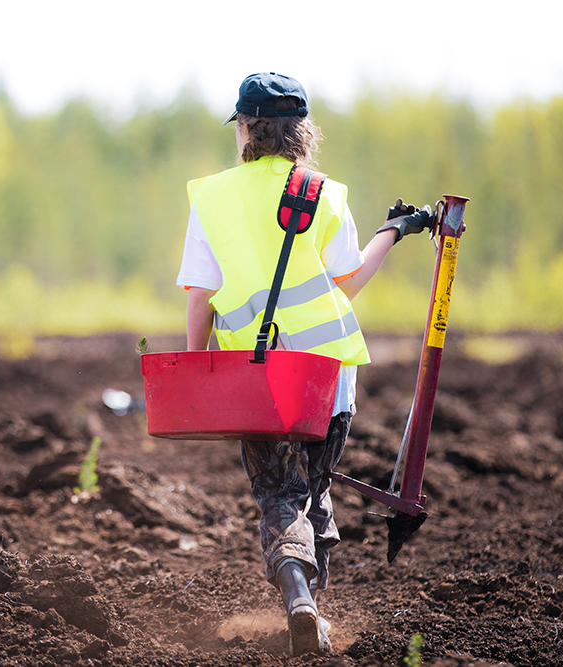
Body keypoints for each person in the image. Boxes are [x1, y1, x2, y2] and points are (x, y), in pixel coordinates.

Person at [175, 72, 433, 655]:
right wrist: (392, 231)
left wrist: (198, 372)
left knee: (277, 494)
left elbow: (199, 297)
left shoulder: (213, 198)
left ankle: (298, 599)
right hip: (328, 378)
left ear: (245, 128)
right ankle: (314, 612)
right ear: (302, 132)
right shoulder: (324, 192)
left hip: (259, 379)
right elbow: (349, 280)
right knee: (313, 492)